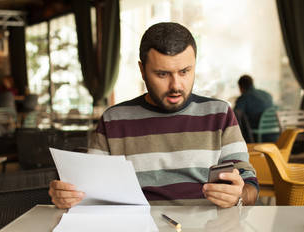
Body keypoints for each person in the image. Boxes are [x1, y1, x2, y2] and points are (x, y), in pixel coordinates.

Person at [49, 22, 259, 208]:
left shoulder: (219, 114)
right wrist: (68, 196)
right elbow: (91, 190)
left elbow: (249, 182)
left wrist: (239, 194)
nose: (176, 85)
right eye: (162, 74)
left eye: (185, 71)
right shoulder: (114, 120)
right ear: (142, 70)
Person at [234, 75, 275, 141]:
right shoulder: (267, 94)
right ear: (252, 83)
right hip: (274, 134)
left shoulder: (244, 98)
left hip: (255, 136)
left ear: (240, 87)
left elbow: (235, 116)